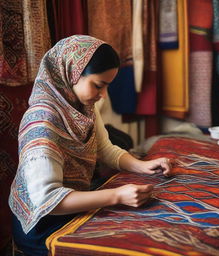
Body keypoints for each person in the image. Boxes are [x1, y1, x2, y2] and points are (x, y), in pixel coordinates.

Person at [9, 35, 172, 256]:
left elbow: (104, 149)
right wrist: (117, 196)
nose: (103, 95)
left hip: (75, 201)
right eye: (98, 85)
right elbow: (47, 201)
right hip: (43, 225)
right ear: (72, 73)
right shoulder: (42, 121)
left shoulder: (81, 107)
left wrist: (142, 166)